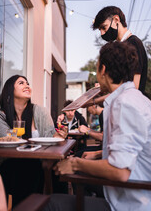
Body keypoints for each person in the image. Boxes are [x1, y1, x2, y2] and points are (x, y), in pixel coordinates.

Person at [44, 41, 151, 211]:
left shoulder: (125, 104)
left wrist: (75, 163)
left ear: (102, 69)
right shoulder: (135, 99)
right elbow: (133, 150)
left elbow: (120, 171)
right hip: (130, 191)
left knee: (49, 203)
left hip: (129, 202)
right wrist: (98, 155)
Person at [0, 75, 67, 207]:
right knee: (28, 168)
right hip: (9, 163)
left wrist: (58, 136)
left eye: (27, 83)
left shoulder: (40, 112)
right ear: (10, 90)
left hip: (40, 161)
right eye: (21, 83)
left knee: (58, 170)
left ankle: (55, 206)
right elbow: (10, 144)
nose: (27, 86)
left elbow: (50, 137)